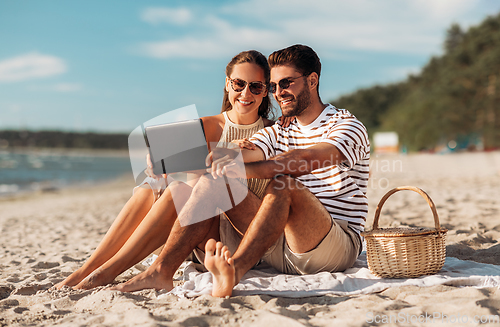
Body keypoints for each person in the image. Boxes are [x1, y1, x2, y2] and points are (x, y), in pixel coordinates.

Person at [108, 44, 370, 298]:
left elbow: (303, 160)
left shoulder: (346, 125)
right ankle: (160, 271)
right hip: (279, 244)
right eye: (274, 86)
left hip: (332, 243)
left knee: (283, 184)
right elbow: (249, 151)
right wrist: (172, 159)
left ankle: (233, 272)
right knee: (215, 181)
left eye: (286, 83)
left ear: (312, 81)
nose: (278, 93)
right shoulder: (281, 129)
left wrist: (238, 169)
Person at [54, 49, 278, 290]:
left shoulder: (273, 132)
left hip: (236, 236)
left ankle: (106, 273)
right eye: (238, 84)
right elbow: (166, 170)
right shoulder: (206, 125)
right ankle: (88, 269)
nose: (245, 93)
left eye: (255, 87)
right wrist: (159, 163)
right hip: (194, 227)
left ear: (265, 91)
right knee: (148, 188)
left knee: (181, 188)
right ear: (227, 84)